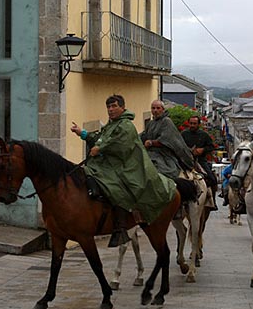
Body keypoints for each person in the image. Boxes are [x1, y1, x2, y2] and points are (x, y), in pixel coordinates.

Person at [70, 95, 176, 247]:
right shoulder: (112, 124)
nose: (111, 110)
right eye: (108, 107)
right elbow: (102, 138)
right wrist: (82, 133)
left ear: (122, 107)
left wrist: (99, 149)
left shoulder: (126, 125)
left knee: (114, 187)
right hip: (109, 163)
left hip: (126, 165)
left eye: (114, 106)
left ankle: (120, 228)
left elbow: (120, 146)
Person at [140, 100, 196, 180]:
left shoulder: (166, 121)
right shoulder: (151, 123)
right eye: (153, 108)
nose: (155, 110)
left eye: (158, 108)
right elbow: (144, 135)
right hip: (150, 152)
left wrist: (151, 143)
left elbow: (166, 139)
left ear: (162, 109)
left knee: (162, 171)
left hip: (164, 154)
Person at [181, 116, 218, 210]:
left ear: (198, 124)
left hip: (200, 161)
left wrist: (203, 150)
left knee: (212, 178)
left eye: (194, 123)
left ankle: (212, 201)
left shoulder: (204, 135)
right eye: (191, 123)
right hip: (186, 161)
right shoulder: (183, 134)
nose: (192, 125)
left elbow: (211, 147)